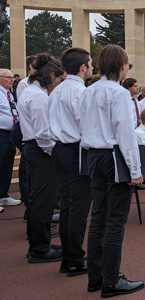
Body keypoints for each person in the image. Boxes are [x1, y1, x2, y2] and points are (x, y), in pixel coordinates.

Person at [79, 45, 145, 297]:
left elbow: (81, 125)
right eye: (128, 64)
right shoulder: (118, 94)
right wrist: (135, 170)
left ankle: (96, 277)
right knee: (115, 220)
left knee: (98, 217)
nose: (128, 68)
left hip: (93, 155)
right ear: (120, 66)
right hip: (114, 156)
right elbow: (125, 133)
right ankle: (111, 281)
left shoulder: (89, 91)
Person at [48, 47, 93, 275]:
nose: (92, 67)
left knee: (67, 205)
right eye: (90, 64)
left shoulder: (56, 90)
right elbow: (85, 126)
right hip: (76, 150)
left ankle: (68, 257)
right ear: (83, 67)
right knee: (78, 208)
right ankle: (75, 259)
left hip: (59, 150)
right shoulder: (80, 91)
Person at [18, 54, 65, 263]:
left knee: (40, 200)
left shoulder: (31, 92)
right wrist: (55, 154)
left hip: (34, 147)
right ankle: (39, 249)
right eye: (59, 79)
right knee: (43, 201)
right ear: (52, 75)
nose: (60, 84)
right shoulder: (37, 96)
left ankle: (39, 245)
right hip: (40, 149)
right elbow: (43, 133)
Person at [0, 69, 21, 211]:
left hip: (9, 135)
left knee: (7, 165)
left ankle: (3, 195)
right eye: (8, 77)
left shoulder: (9, 94)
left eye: (12, 77)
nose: (12, 79)